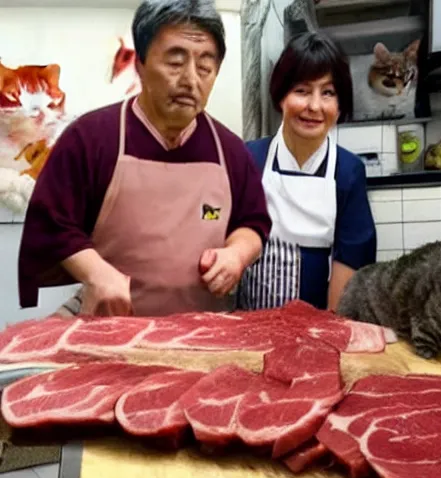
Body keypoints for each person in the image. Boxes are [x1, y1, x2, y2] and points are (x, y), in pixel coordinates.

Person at [17, 0, 272, 317]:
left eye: (205, 67)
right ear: (140, 63)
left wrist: (236, 254)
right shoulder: (91, 138)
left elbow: (252, 222)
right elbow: (53, 221)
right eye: (175, 62)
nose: (191, 80)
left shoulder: (230, 150)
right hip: (109, 326)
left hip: (201, 330)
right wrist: (97, 273)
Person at [238, 31, 376, 312]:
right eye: (302, 90)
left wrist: (328, 337)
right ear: (281, 97)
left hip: (317, 329)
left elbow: (351, 262)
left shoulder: (348, 172)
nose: (314, 106)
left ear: (340, 105)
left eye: (328, 93)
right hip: (249, 328)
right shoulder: (248, 158)